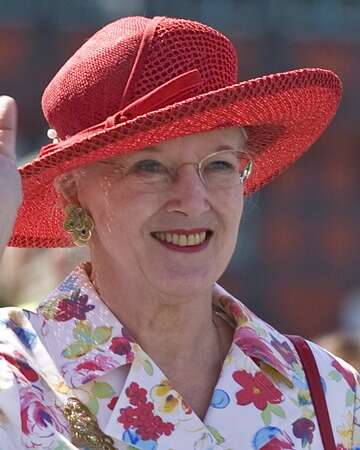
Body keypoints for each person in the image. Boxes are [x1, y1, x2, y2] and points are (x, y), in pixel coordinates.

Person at [0, 15, 358, 450]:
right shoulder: (13, 370)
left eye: (221, 165)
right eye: (149, 166)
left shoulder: (332, 394)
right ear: (74, 189)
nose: (192, 199)